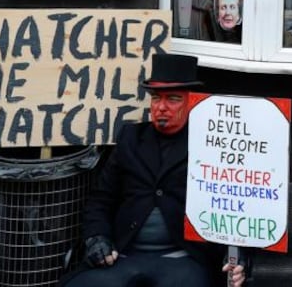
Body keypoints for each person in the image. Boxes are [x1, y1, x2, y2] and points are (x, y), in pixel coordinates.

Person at [63, 53, 245, 287]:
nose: (161, 107)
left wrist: (238, 259)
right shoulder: (130, 138)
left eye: (173, 99)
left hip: (183, 259)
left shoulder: (211, 144)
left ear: (191, 101)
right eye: (156, 98)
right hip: (123, 255)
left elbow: (236, 208)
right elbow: (101, 199)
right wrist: (97, 237)